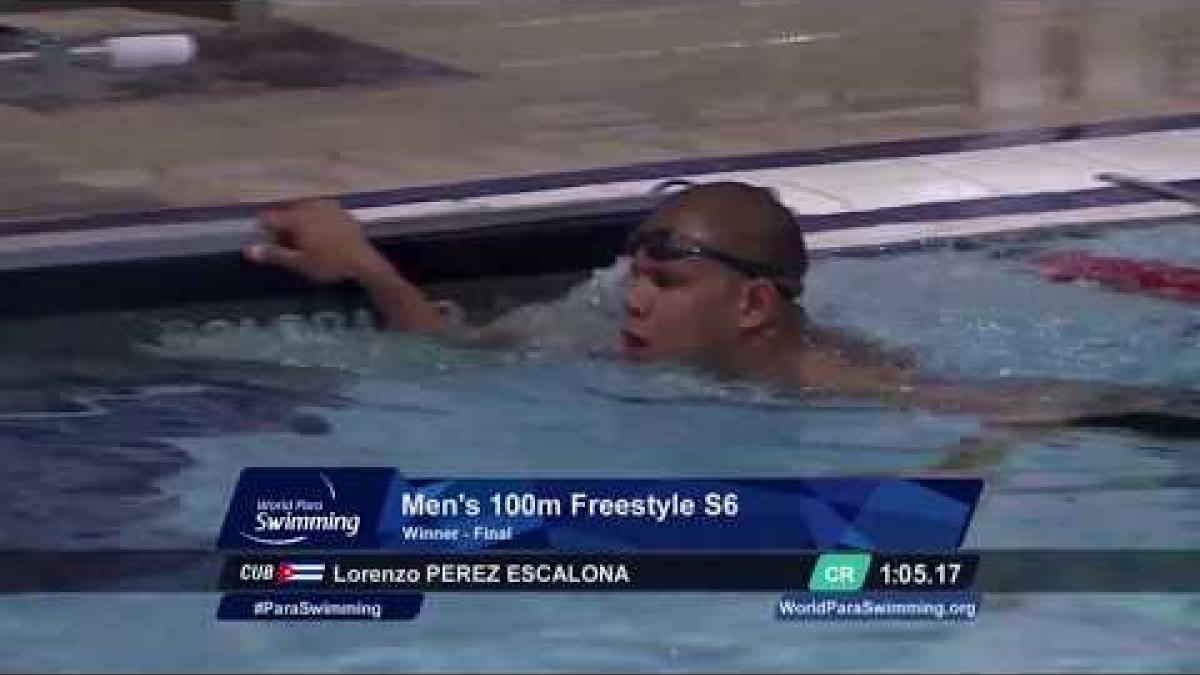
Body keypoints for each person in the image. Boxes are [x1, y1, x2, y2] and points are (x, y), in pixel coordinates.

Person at [243, 182, 1198, 466]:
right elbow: (447, 350)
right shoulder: (590, 341)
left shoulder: (837, 385)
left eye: (663, 282)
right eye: (633, 278)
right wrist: (363, 263)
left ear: (752, 305)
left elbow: (1065, 403)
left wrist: (949, 473)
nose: (635, 300)